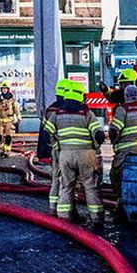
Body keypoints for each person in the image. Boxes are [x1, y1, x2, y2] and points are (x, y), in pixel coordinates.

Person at [41, 79, 106, 227]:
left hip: (65, 155)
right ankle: (96, 219)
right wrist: (95, 146)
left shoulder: (57, 114)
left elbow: (46, 134)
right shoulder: (86, 113)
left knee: (66, 186)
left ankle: (64, 217)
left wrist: (56, 145)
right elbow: (99, 134)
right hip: (86, 155)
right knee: (90, 186)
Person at [0, 82, 21, 157]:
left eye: (5, 88)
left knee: (8, 136)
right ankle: (2, 149)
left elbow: (16, 109)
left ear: (8, 89)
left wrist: (18, 117)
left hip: (9, 121)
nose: (4, 90)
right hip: (0, 120)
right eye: (3, 89)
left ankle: (7, 151)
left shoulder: (12, 99)